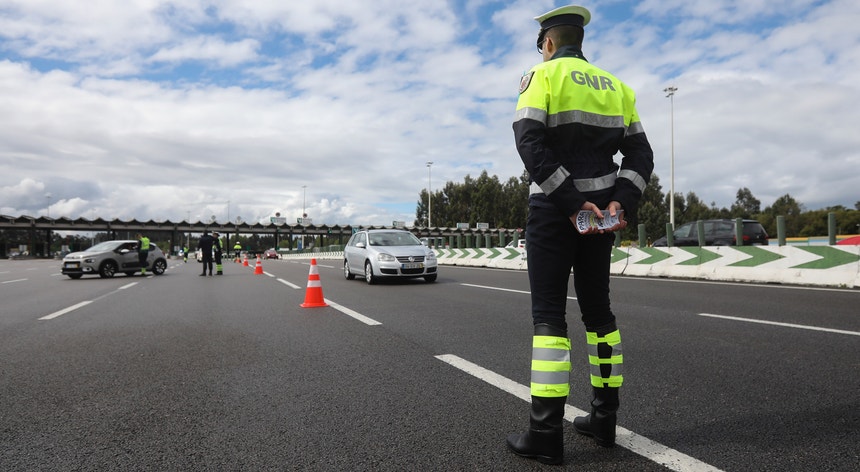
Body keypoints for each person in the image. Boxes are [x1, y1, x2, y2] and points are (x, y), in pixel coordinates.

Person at [506, 5, 654, 465]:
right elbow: (641, 155)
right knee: (600, 315)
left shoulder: (543, 76)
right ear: (580, 40)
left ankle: (546, 434)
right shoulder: (619, 88)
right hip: (603, 220)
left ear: (548, 43)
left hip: (555, 213)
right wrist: (619, 203)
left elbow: (528, 142)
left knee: (549, 318)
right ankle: (604, 421)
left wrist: (570, 201)